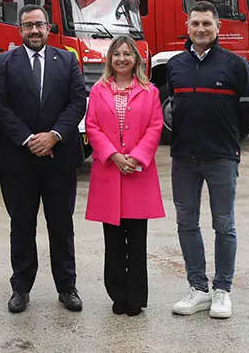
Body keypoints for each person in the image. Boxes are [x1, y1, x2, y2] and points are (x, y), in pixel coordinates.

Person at [0, 4, 87, 313]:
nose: (34, 30)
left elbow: (77, 102)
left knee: (61, 227)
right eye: (28, 25)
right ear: (20, 30)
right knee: (21, 226)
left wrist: (54, 135)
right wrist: (29, 138)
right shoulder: (3, 62)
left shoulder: (67, 60)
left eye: (39, 25)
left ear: (48, 28)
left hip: (59, 158)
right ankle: (20, 288)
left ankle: (67, 287)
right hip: (19, 160)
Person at [167, 1, 249, 320]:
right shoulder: (176, 65)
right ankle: (198, 289)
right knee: (186, 223)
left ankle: (222, 290)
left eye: (207, 23)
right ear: (188, 27)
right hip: (183, 158)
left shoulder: (236, 65)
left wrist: (230, 137)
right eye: (195, 23)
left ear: (218, 27)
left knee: (224, 224)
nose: (201, 29)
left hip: (221, 157)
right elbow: (171, 107)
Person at [84, 35, 165, 317]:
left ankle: (136, 297)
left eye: (127, 54)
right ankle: (117, 295)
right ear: (110, 59)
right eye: (116, 54)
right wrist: (113, 155)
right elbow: (92, 126)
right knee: (113, 241)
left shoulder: (150, 91)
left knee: (137, 241)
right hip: (109, 171)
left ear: (136, 60)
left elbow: (155, 127)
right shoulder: (98, 90)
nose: (121, 59)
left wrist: (137, 157)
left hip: (137, 173)